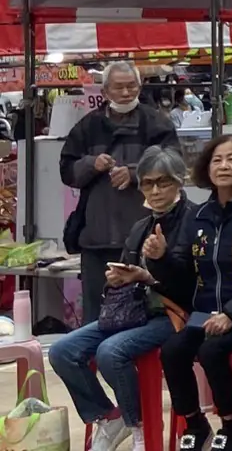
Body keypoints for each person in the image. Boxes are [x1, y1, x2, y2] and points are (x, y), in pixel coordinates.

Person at [50, 146, 194, 451]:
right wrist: (115, 281)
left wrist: (153, 271)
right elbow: (125, 277)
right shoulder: (141, 226)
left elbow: (192, 284)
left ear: (179, 181)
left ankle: (139, 424)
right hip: (134, 310)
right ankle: (107, 415)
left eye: (163, 183)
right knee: (63, 350)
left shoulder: (194, 221)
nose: (154, 191)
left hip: (175, 312)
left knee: (111, 352)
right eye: (147, 183)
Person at [151, 136, 232, 451]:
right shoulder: (198, 215)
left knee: (212, 351)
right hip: (205, 313)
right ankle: (195, 423)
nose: (223, 166)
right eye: (216, 160)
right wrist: (160, 258)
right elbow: (181, 272)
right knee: (173, 350)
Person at [60, 60, 181, 322]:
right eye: (119, 87)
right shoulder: (88, 126)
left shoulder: (156, 123)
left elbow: (174, 164)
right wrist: (91, 164)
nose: (126, 93)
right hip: (97, 237)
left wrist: (136, 172)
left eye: (131, 86)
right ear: (105, 91)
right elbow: (66, 171)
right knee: (96, 314)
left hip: (143, 236)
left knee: (144, 313)